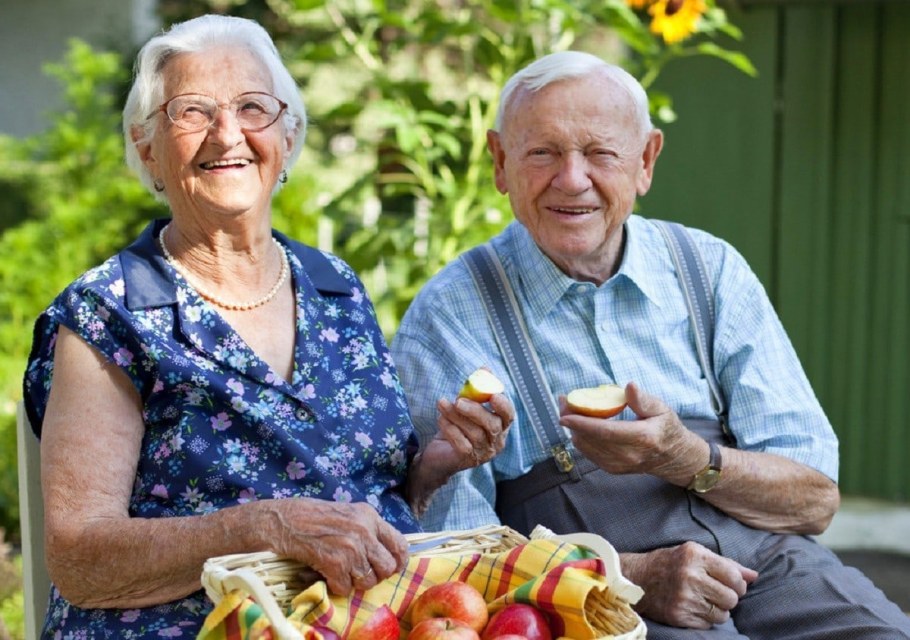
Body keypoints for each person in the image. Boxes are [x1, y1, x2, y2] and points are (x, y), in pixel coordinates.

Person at [391, 51, 910, 639]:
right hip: (601, 599)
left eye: (600, 153)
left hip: (771, 565)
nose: (572, 179)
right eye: (542, 152)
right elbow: (453, 553)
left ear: (645, 161)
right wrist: (626, 574)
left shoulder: (708, 270)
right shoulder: (454, 312)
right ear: (500, 162)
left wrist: (685, 457)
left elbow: (813, 501)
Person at [21, 14, 508, 637]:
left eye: (253, 107)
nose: (228, 135)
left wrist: (436, 464)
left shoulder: (334, 285)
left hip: (370, 621)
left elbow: (366, 496)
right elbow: (80, 560)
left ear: (288, 136)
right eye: (192, 112)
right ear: (149, 149)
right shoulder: (111, 313)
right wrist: (261, 527)